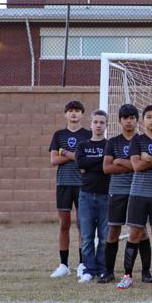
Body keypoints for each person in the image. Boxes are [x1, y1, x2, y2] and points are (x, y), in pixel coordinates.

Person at [117, 105, 152, 289]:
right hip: (138, 194)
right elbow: (136, 166)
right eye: (149, 117)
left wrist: (150, 159)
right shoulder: (137, 141)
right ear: (143, 121)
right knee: (134, 233)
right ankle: (127, 275)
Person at [48, 100, 91, 278]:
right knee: (64, 224)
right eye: (70, 111)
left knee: (83, 225)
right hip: (63, 184)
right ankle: (64, 265)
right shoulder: (59, 134)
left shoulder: (88, 134)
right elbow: (53, 160)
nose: (74, 114)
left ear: (82, 114)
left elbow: (86, 160)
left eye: (77, 111)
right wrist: (75, 156)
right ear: (65, 114)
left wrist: (64, 152)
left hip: (83, 184)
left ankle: (82, 263)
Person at [100, 103, 139, 283]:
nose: (129, 121)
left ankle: (145, 272)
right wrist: (129, 164)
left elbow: (141, 167)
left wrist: (119, 161)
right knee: (113, 230)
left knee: (139, 231)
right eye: (125, 118)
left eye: (132, 118)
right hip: (117, 191)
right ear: (120, 121)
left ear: (137, 120)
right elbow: (107, 168)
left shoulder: (142, 141)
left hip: (138, 190)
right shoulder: (113, 142)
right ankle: (108, 272)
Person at [75, 110, 110, 282]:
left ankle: (103, 268)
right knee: (87, 236)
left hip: (105, 196)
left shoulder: (109, 145)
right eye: (95, 122)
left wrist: (92, 164)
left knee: (104, 236)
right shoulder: (82, 145)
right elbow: (81, 163)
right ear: (91, 124)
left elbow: (107, 167)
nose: (98, 125)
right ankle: (89, 269)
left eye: (102, 122)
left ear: (106, 125)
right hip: (86, 195)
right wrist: (100, 160)